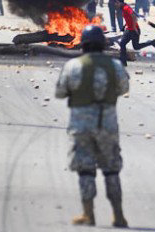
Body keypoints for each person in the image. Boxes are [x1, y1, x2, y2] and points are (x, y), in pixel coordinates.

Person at [55, 26, 130, 227]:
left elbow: (60, 92)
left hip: (81, 127)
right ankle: (119, 215)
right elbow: (124, 88)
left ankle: (88, 214)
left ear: (84, 45)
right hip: (107, 125)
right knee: (111, 170)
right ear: (103, 45)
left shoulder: (73, 66)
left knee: (86, 171)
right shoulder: (115, 66)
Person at [115, 0, 155, 66]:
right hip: (129, 30)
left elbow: (134, 16)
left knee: (136, 46)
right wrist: (124, 26)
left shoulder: (126, 8)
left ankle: (151, 42)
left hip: (134, 30)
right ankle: (123, 61)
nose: (116, 4)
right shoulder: (123, 8)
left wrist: (134, 27)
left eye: (117, 2)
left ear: (121, 2)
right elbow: (129, 18)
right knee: (122, 43)